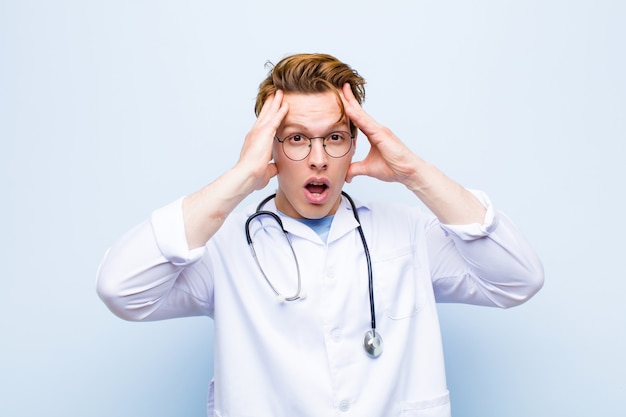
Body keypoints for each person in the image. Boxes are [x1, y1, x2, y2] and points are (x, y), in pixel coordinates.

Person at [96, 53, 544, 417]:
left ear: (354, 143)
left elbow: (518, 280)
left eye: (334, 138)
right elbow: (121, 290)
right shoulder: (223, 249)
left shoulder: (410, 233)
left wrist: (414, 173)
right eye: (295, 139)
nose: (317, 159)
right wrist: (239, 178)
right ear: (269, 145)